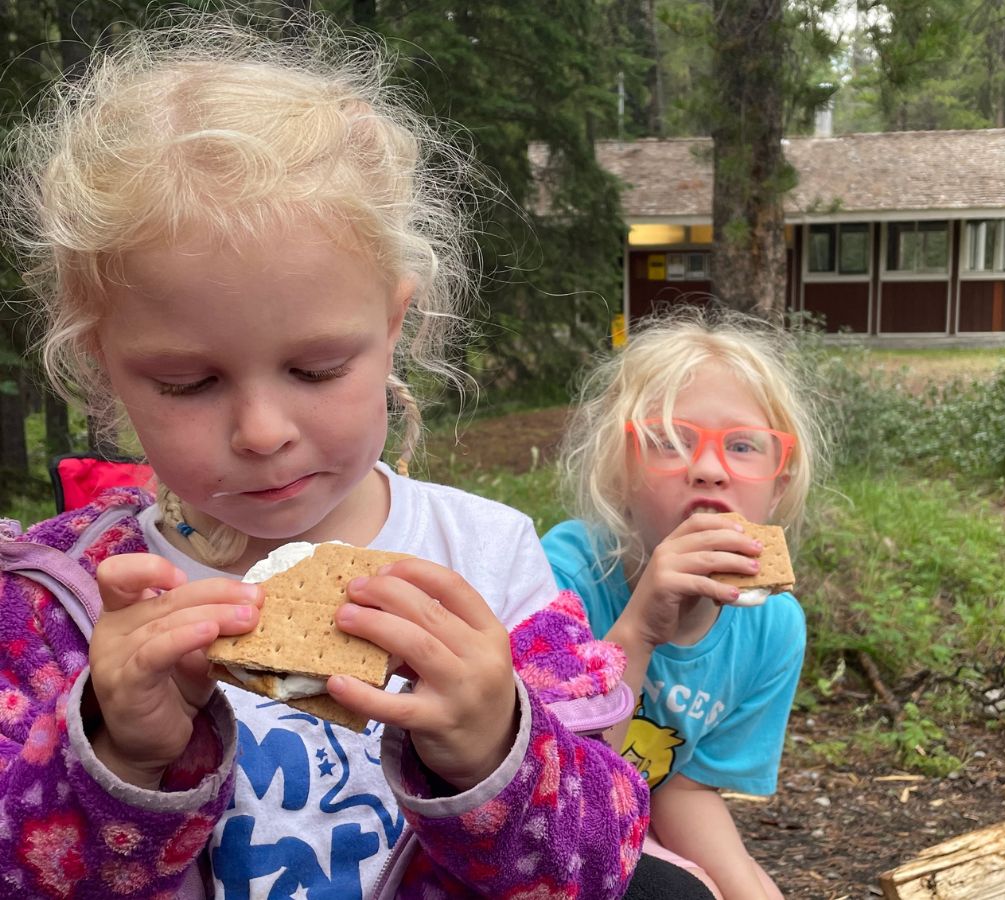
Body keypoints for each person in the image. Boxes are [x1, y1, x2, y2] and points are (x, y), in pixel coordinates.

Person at [0, 10, 655, 898]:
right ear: (104, 368)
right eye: (188, 384)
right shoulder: (61, 602)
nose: (262, 430)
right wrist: (114, 750)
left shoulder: (489, 564)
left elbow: (601, 863)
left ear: (392, 328)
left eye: (315, 368)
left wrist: (495, 748)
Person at [543, 309, 822, 899]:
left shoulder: (773, 628)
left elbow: (685, 789)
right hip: (542, 830)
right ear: (619, 473)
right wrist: (639, 629)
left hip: (638, 819)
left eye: (744, 446)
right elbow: (553, 790)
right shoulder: (562, 580)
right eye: (668, 441)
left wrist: (746, 884)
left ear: (778, 480)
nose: (707, 469)